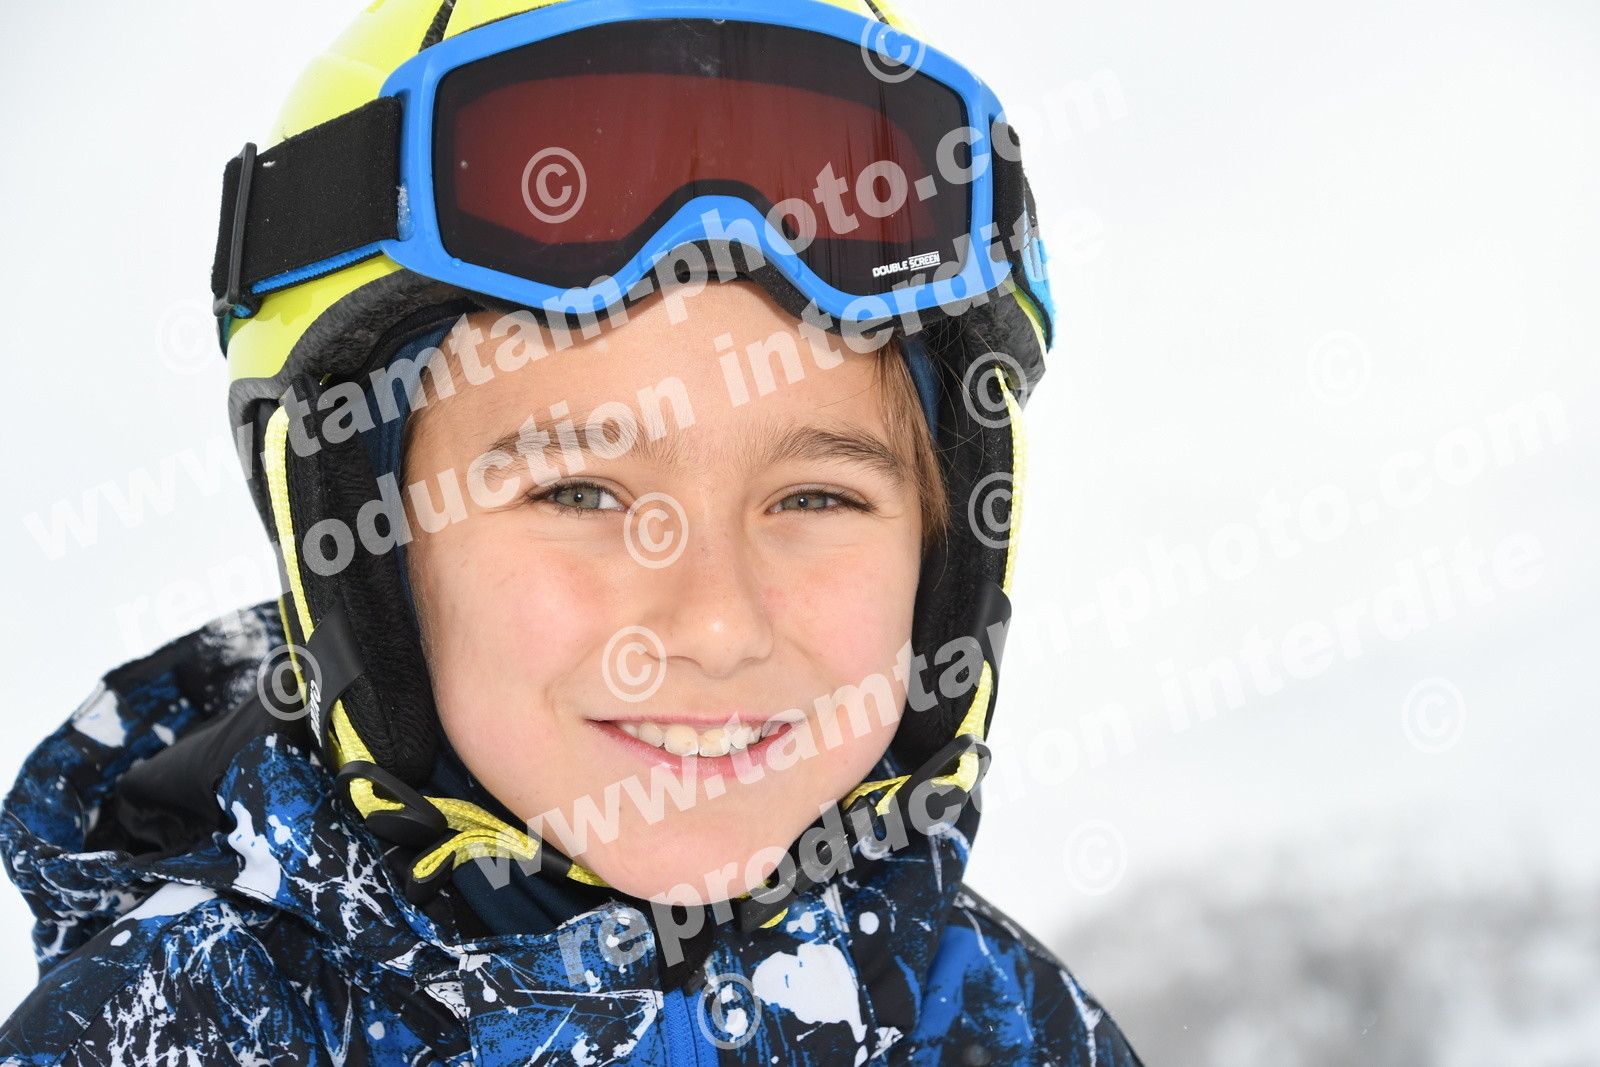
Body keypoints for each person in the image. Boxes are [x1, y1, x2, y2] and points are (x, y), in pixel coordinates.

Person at [0, 0, 1147, 1062]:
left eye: (814, 498)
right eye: (580, 494)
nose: (715, 624)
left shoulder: (1021, 1027)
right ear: (364, 552)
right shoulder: (159, 1033)